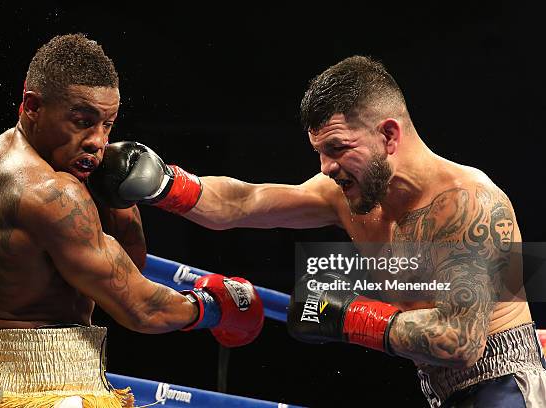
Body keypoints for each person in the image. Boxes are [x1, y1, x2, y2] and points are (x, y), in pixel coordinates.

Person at [95, 56, 546, 407]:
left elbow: (460, 340)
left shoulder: (469, 203)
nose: (326, 168)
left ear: (389, 135)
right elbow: (243, 202)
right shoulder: (347, 196)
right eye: (319, 152)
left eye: (337, 149)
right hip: (441, 390)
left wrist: (347, 316)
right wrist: (165, 185)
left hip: (504, 386)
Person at [0, 33, 264, 408]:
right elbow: (142, 307)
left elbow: (129, 262)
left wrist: (117, 196)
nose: (98, 141)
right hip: (55, 391)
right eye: (83, 121)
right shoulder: (53, 192)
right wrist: (214, 307)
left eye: (107, 125)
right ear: (32, 106)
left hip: (7, 382)